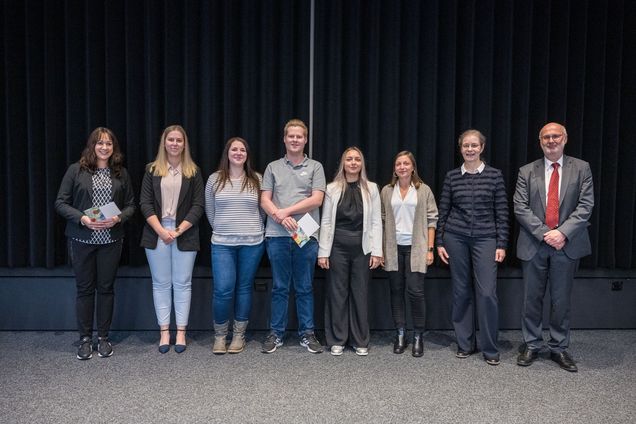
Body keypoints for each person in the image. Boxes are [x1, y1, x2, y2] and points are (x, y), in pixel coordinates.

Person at [514, 122, 594, 372]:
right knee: (531, 298)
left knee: (561, 300)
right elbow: (520, 207)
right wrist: (545, 233)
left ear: (565, 139)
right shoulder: (527, 171)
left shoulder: (581, 168)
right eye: (546, 137)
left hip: (566, 244)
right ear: (540, 142)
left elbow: (585, 205)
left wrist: (562, 233)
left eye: (555, 136)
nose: (551, 141)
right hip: (534, 243)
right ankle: (532, 343)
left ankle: (559, 347)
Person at [55, 127, 135, 360]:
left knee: (106, 289)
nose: (104, 147)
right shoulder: (75, 170)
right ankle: (85, 339)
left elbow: (131, 205)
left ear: (114, 148)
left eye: (109, 144)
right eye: (99, 143)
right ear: (92, 146)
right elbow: (60, 203)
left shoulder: (121, 173)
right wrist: (83, 218)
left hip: (111, 240)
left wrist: (118, 218)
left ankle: (103, 338)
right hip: (82, 239)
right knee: (85, 289)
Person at [436, 130, 509, 366]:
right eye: (465, 145)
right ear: (460, 148)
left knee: (487, 293)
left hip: (486, 238)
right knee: (461, 292)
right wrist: (439, 241)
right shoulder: (451, 177)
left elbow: (502, 213)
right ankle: (465, 344)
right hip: (455, 238)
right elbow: (443, 211)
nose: (470, 149)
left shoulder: (495, 176)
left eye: (474, 145)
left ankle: (489, 347)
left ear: (482, 147)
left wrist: (501, 243)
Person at [260, 118, 326, 354]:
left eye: (299, 136)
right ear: (285, 139)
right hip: (277, 235)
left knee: (305, 287)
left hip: (305, 234)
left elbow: (316, 199)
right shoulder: (272, 167)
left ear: (305, 139)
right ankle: (276, 333)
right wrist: (278, 215)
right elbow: (264, 199)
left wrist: (285, 211)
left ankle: (307, 334)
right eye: (291, 136)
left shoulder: (316, 167)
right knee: (279, 287)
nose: (295, 140)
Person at [140, 125, 204, 354]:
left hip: (183, 233)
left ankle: (181, 333)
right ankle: (165, 331)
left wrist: (177, 231)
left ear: (184, 144)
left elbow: (198, 206)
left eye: (179, 140)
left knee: (183, 283)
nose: (175, 144)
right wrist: (161, 231)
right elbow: (145, 204)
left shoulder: (193, 171)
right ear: (164, 143)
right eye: (171, 140)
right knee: (161, 283)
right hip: (157, 232)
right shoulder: (152, 170)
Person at [317, 147, 383, 356]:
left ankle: (359, 340)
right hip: (337, 247)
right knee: (337, 294)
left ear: (362, 164)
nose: (353, 163)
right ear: (343, 164)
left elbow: (376, 223)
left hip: (363, 248)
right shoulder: (332, 188)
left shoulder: (372, 188)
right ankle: (337, 339)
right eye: (349, 159)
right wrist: (323, 252)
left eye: (357, 159)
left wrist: (377, 251)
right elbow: (326, 221)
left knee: (360, 293)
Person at [205, 137, 265, 354]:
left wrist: (250, 230)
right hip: (222, 243)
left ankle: (239, 335)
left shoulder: (257, 179)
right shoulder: (214, 179)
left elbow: (262, 212)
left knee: (244, 288)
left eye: (242, 150)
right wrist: (224, 230)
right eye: (234, 149)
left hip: (252, 243)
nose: (238, 153)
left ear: (247, 154)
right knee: (222, 290)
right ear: (227, 153)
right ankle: (220, 336)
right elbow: (210, 211)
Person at [381, 151, 438, 357]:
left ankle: (417, 336)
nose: (402, 167)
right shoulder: (387, 191)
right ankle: (400, 334)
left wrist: (430, 249)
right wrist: (381, 250)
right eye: (399, 164)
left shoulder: (423, 190)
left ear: (413, 167)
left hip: (417, 248)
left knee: (415, 292)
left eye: (406, 163)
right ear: (394, 168)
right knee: (396, 292)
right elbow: (382, 220)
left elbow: (432, 220)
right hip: (393, 248)